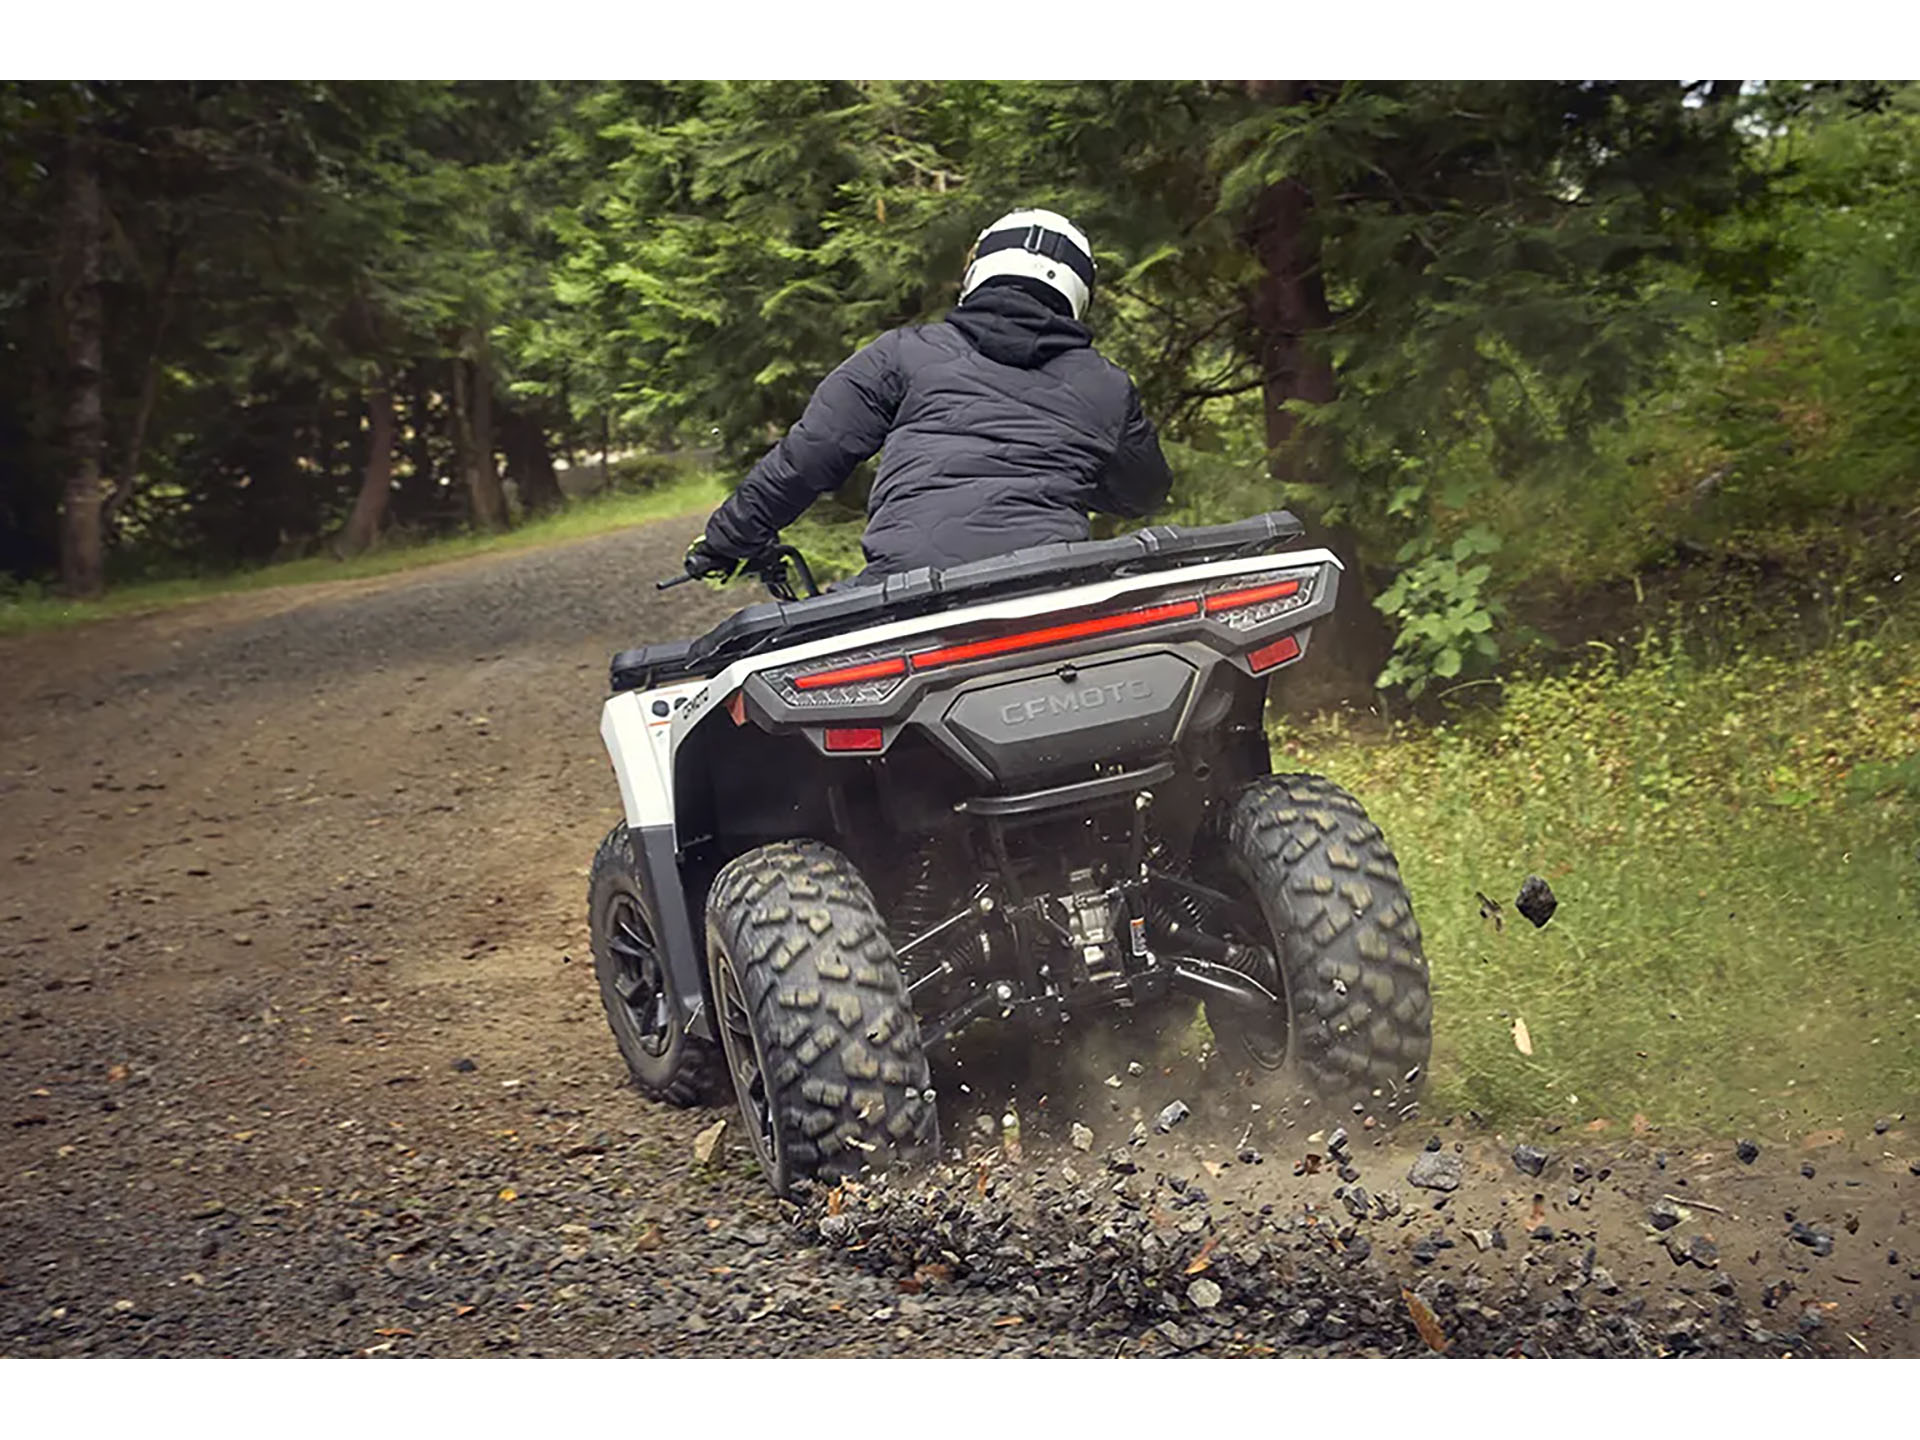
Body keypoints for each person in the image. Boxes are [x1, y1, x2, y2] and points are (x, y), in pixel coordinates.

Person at [683, 208, 1173, 586]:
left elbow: (809, 456)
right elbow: (1143, 494)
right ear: (1079, 292)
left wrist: (729, 540)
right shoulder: (1107, 386)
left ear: (979, 272)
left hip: (905, 594)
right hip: (1050, 591)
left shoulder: (902, 352)